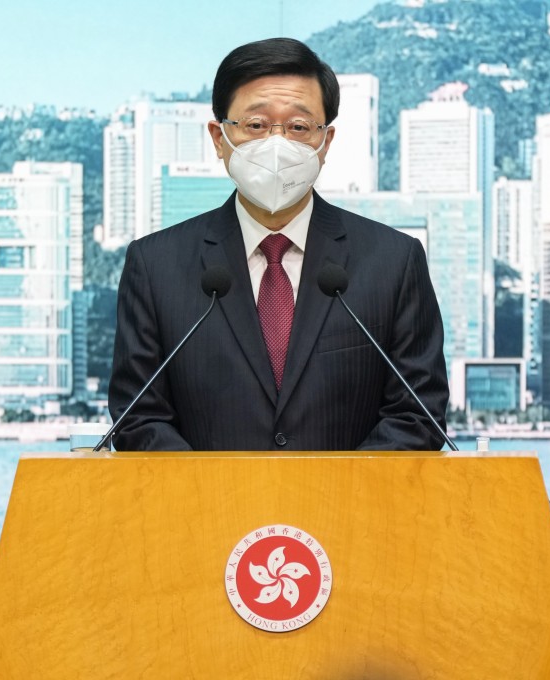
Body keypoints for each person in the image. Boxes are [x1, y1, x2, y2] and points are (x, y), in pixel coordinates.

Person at [108, 37, 448, 451]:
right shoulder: (155, 265)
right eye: (256, 125)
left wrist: (334, 491)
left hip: (350, 495)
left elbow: (417, 416)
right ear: (219, 137)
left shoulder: (393, 261)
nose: (277, 143)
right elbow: (139, 419)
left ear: (326, 142)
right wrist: (212, 492)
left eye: (299, 127)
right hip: (204, 495)